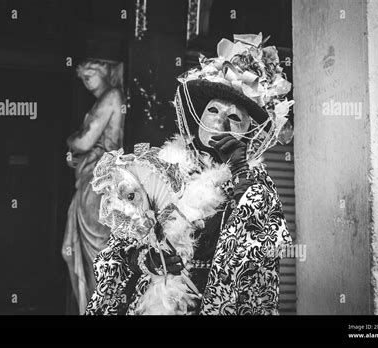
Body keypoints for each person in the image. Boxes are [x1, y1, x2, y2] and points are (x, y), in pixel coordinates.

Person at [85, 34, 294, 315]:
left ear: (247, 132)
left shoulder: (254, 186)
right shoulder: (156, 170)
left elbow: (260, 254)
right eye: (213, 111)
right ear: (198, 120)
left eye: (234, 118)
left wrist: (241, 171)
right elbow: (114, 255)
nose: (220, 121)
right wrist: (144, 260)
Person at [62, 58, 125, 314]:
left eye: (89, 75)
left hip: (99, 181)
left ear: (105, 71)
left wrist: (70, 140)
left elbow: (84, 141)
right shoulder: (107, 98)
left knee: (96, 251)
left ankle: (97, 307)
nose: (85, 81)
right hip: (93, 176)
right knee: (76, 250)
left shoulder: (112, 96)